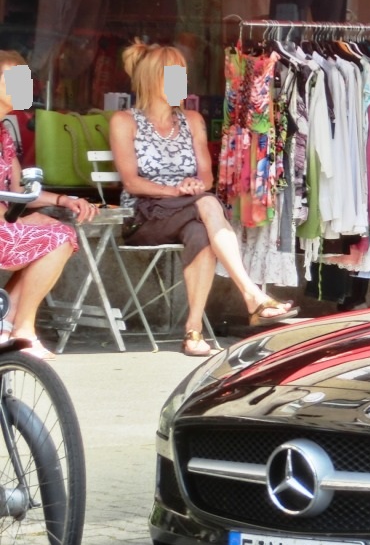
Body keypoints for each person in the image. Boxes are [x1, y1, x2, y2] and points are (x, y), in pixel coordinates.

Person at [109, 42, 294, 357]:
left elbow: (207, 177)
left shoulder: (192, 120)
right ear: (153, 80)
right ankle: (251, 294)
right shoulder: (124, 121)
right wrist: (176, 191)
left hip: (188, 210)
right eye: (174, 76)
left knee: (201, 232)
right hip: (144, 214)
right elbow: (131, 182)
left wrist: (194, 184)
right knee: (207, 206)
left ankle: (193, 331)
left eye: (183, 75)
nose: (183, 83)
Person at [0, 49, 97, 359]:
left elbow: (16, 189)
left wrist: (62, 200)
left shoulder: (3, 132)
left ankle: (6, 322)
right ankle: (22, 329)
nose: (24, 85)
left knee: (57, 229)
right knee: (59, 238)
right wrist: (17, 220)